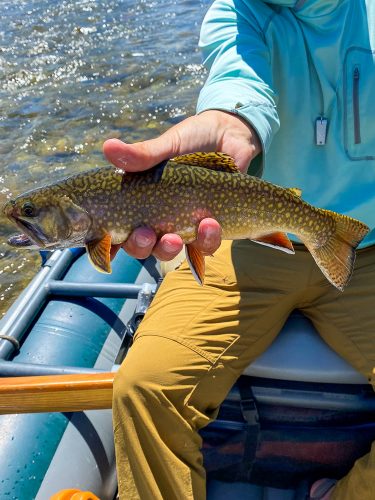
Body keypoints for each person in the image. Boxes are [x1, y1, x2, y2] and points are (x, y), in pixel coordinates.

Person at [104, 1, 375, 498]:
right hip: (245, 244)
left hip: (369, 251)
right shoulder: (236, 12)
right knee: (145, 390)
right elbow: (239, 84)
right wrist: (230, 122)